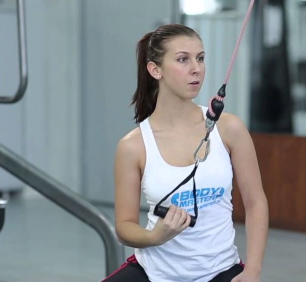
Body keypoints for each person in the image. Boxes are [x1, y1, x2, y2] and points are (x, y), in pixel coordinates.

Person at [102, 24, 269, 282]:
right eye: (183, 59)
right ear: (155, 70)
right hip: (154, 272)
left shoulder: (229, 128)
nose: (196, 69)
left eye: (200, 58)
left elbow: (256, 202)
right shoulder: (133, 146)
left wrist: (253, 270)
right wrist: (154, 237)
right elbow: (124, 225)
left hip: (220, 271)